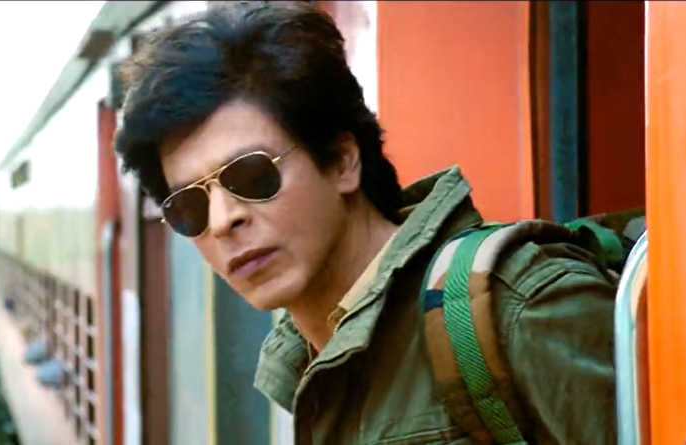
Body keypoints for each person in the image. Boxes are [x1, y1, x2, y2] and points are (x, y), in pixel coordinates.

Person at [113, 2, 617, 444]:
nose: (223, 220)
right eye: (190, 207)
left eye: (252, 175)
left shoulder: (520, 310)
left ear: (341, 161)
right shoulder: (303, 365)